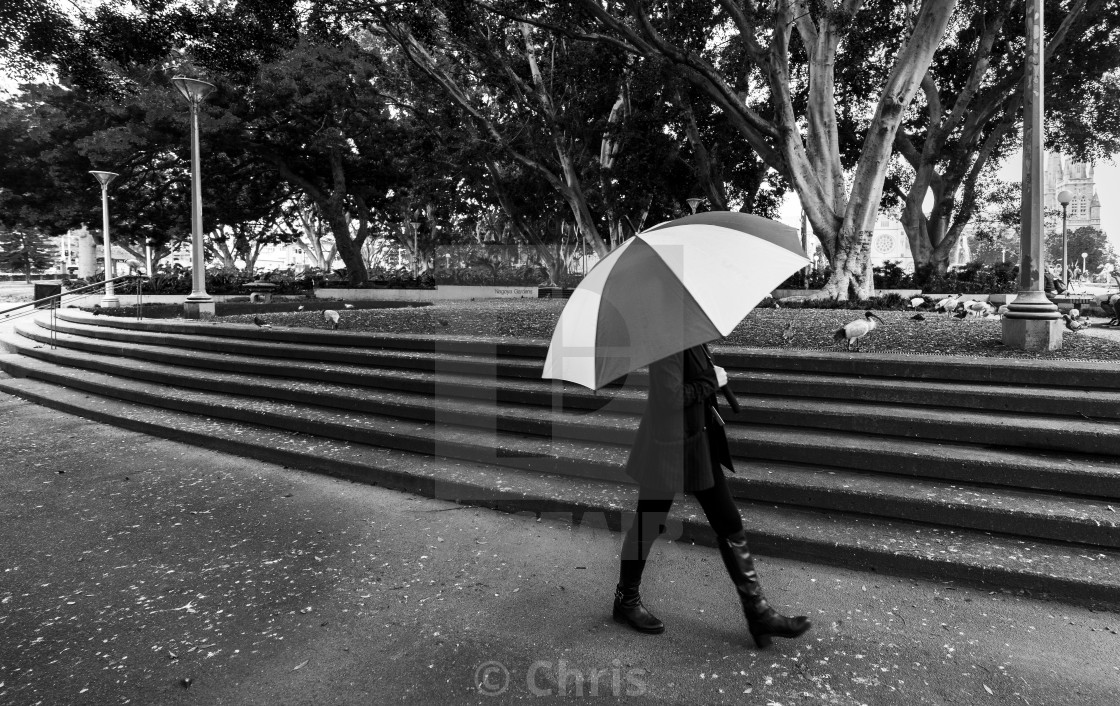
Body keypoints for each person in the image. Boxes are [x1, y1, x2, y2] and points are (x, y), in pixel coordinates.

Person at [613, 343, 811, 648]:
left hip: (697, 441)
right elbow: (669, 397)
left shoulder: (692, 333)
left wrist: (709, 377)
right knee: (648, 524)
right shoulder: (667, 338)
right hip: (668, 446)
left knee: (728, 522)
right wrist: (711, 381)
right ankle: (626, 601)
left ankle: (757, 612)